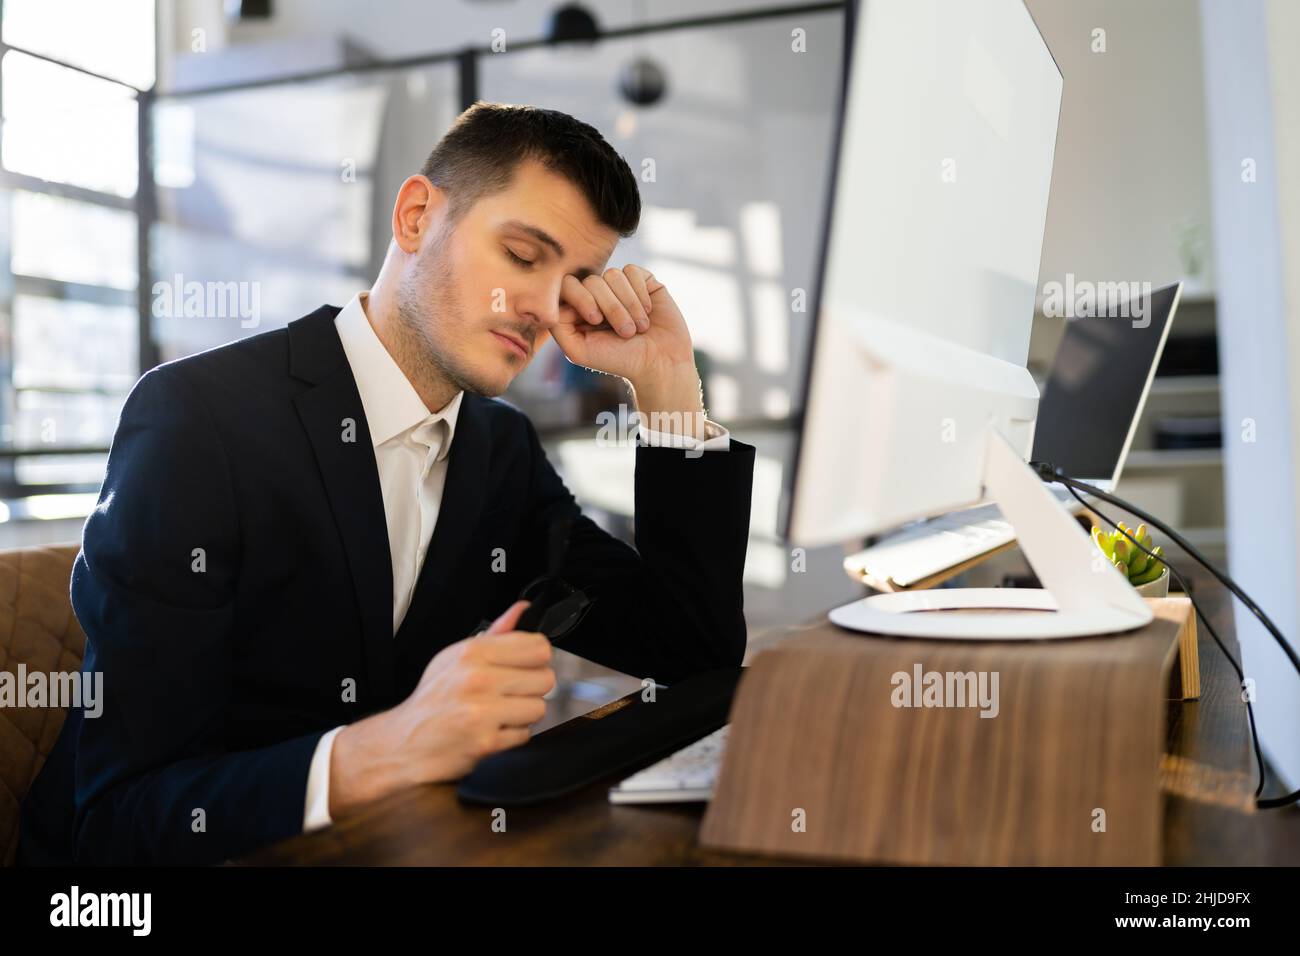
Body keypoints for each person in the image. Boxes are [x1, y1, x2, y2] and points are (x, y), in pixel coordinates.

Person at [18, 102, 755, 865]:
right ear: (414, 217)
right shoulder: (198, 422)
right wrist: (382, 751)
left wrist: (669, 389)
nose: (543, 308)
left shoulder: (498, 448)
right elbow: (113, 822)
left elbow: (692, 655)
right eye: (523, 255)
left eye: (575, 281)